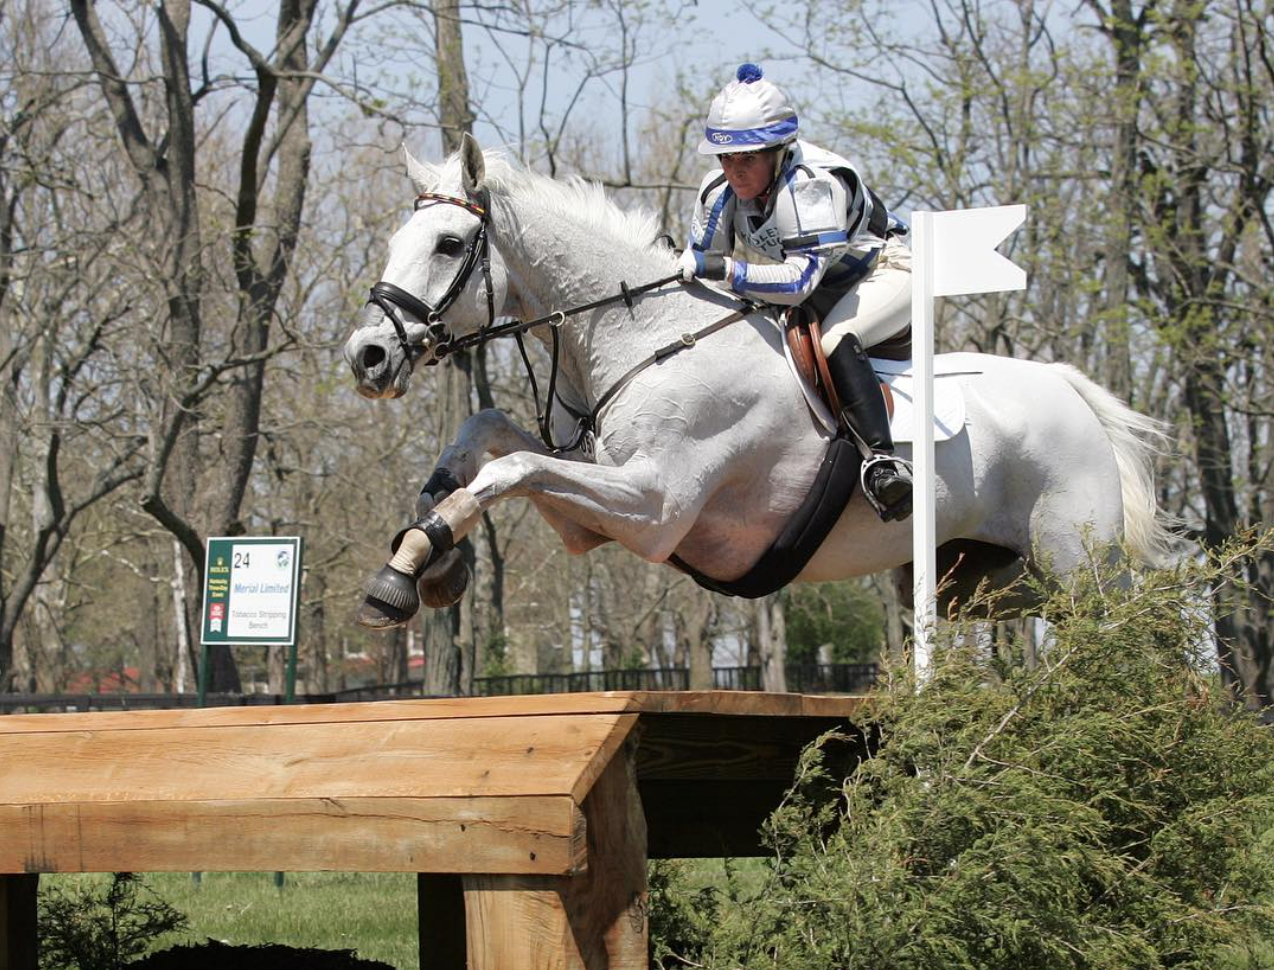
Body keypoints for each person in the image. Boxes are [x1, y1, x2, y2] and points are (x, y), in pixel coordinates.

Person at [678, 63, 914, 522]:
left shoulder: (808, 185)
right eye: (726, 159)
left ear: (778, 151)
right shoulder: (717, 191)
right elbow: (701, 266)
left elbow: (798, 281)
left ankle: (884, 464)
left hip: (883, 270)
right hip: (819, 284)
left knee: (836, 339)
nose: (734, 172)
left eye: (747, 159)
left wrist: (722, 267)